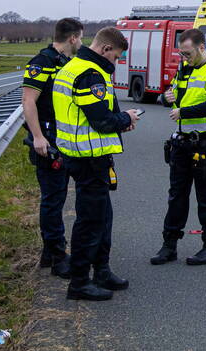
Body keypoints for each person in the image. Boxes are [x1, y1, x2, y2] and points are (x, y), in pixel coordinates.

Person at [52, 27, 141, 301]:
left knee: (103, 216)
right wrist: (126, 119)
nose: (115, 63)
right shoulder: (90, 74)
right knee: (91, 221)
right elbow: (101, 120)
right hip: (88, 157)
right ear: (104, 49)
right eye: (115, 57)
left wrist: (118, 122)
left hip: (85, 155)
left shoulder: (74, 66)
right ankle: (79, 282)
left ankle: (101, 271)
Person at [151, 28, 206, 266]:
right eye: (181, 54)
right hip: (182, 141)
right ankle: (169, 245)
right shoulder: (184, 69)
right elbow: (176, 96)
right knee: (176, 195)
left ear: (201, 47)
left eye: (187, 53)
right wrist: (165, 98)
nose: (184, 58)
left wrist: (183, 111)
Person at [21, 17, 83, 277]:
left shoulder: (66, 63)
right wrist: (37, 136)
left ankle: (49, 253)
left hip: (63, 138)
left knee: (57, 197)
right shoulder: (42, 62)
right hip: (47, 141)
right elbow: (28, 101)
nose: (82, 42)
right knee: (52, 199)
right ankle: (58, 256)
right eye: (81, 37)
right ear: (72, 38)